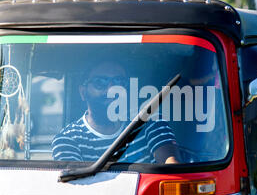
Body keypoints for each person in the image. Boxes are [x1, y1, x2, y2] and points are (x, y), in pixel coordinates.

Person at [52, 62, 180, 164]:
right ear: (83, 92)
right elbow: (74, 186)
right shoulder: (67, 139)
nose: (111, 89)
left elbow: (170, 165)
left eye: (119, 82)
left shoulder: (149, 121)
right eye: (100, 82)